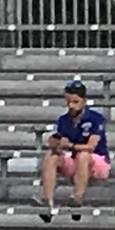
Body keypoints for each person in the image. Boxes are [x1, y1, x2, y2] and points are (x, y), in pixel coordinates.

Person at [40, 78, 110, 221]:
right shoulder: (63, 120)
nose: (71, 106)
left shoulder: (95, 118)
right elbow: (61, 144)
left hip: (97, 161)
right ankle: (48, 201)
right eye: (68, 102)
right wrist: (55, 145)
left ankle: (78, 197)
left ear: (84, 101)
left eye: (75, 102)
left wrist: (70, 145)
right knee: (51, 157)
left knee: (83, 155)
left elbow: (91, 146)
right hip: (75, 160)